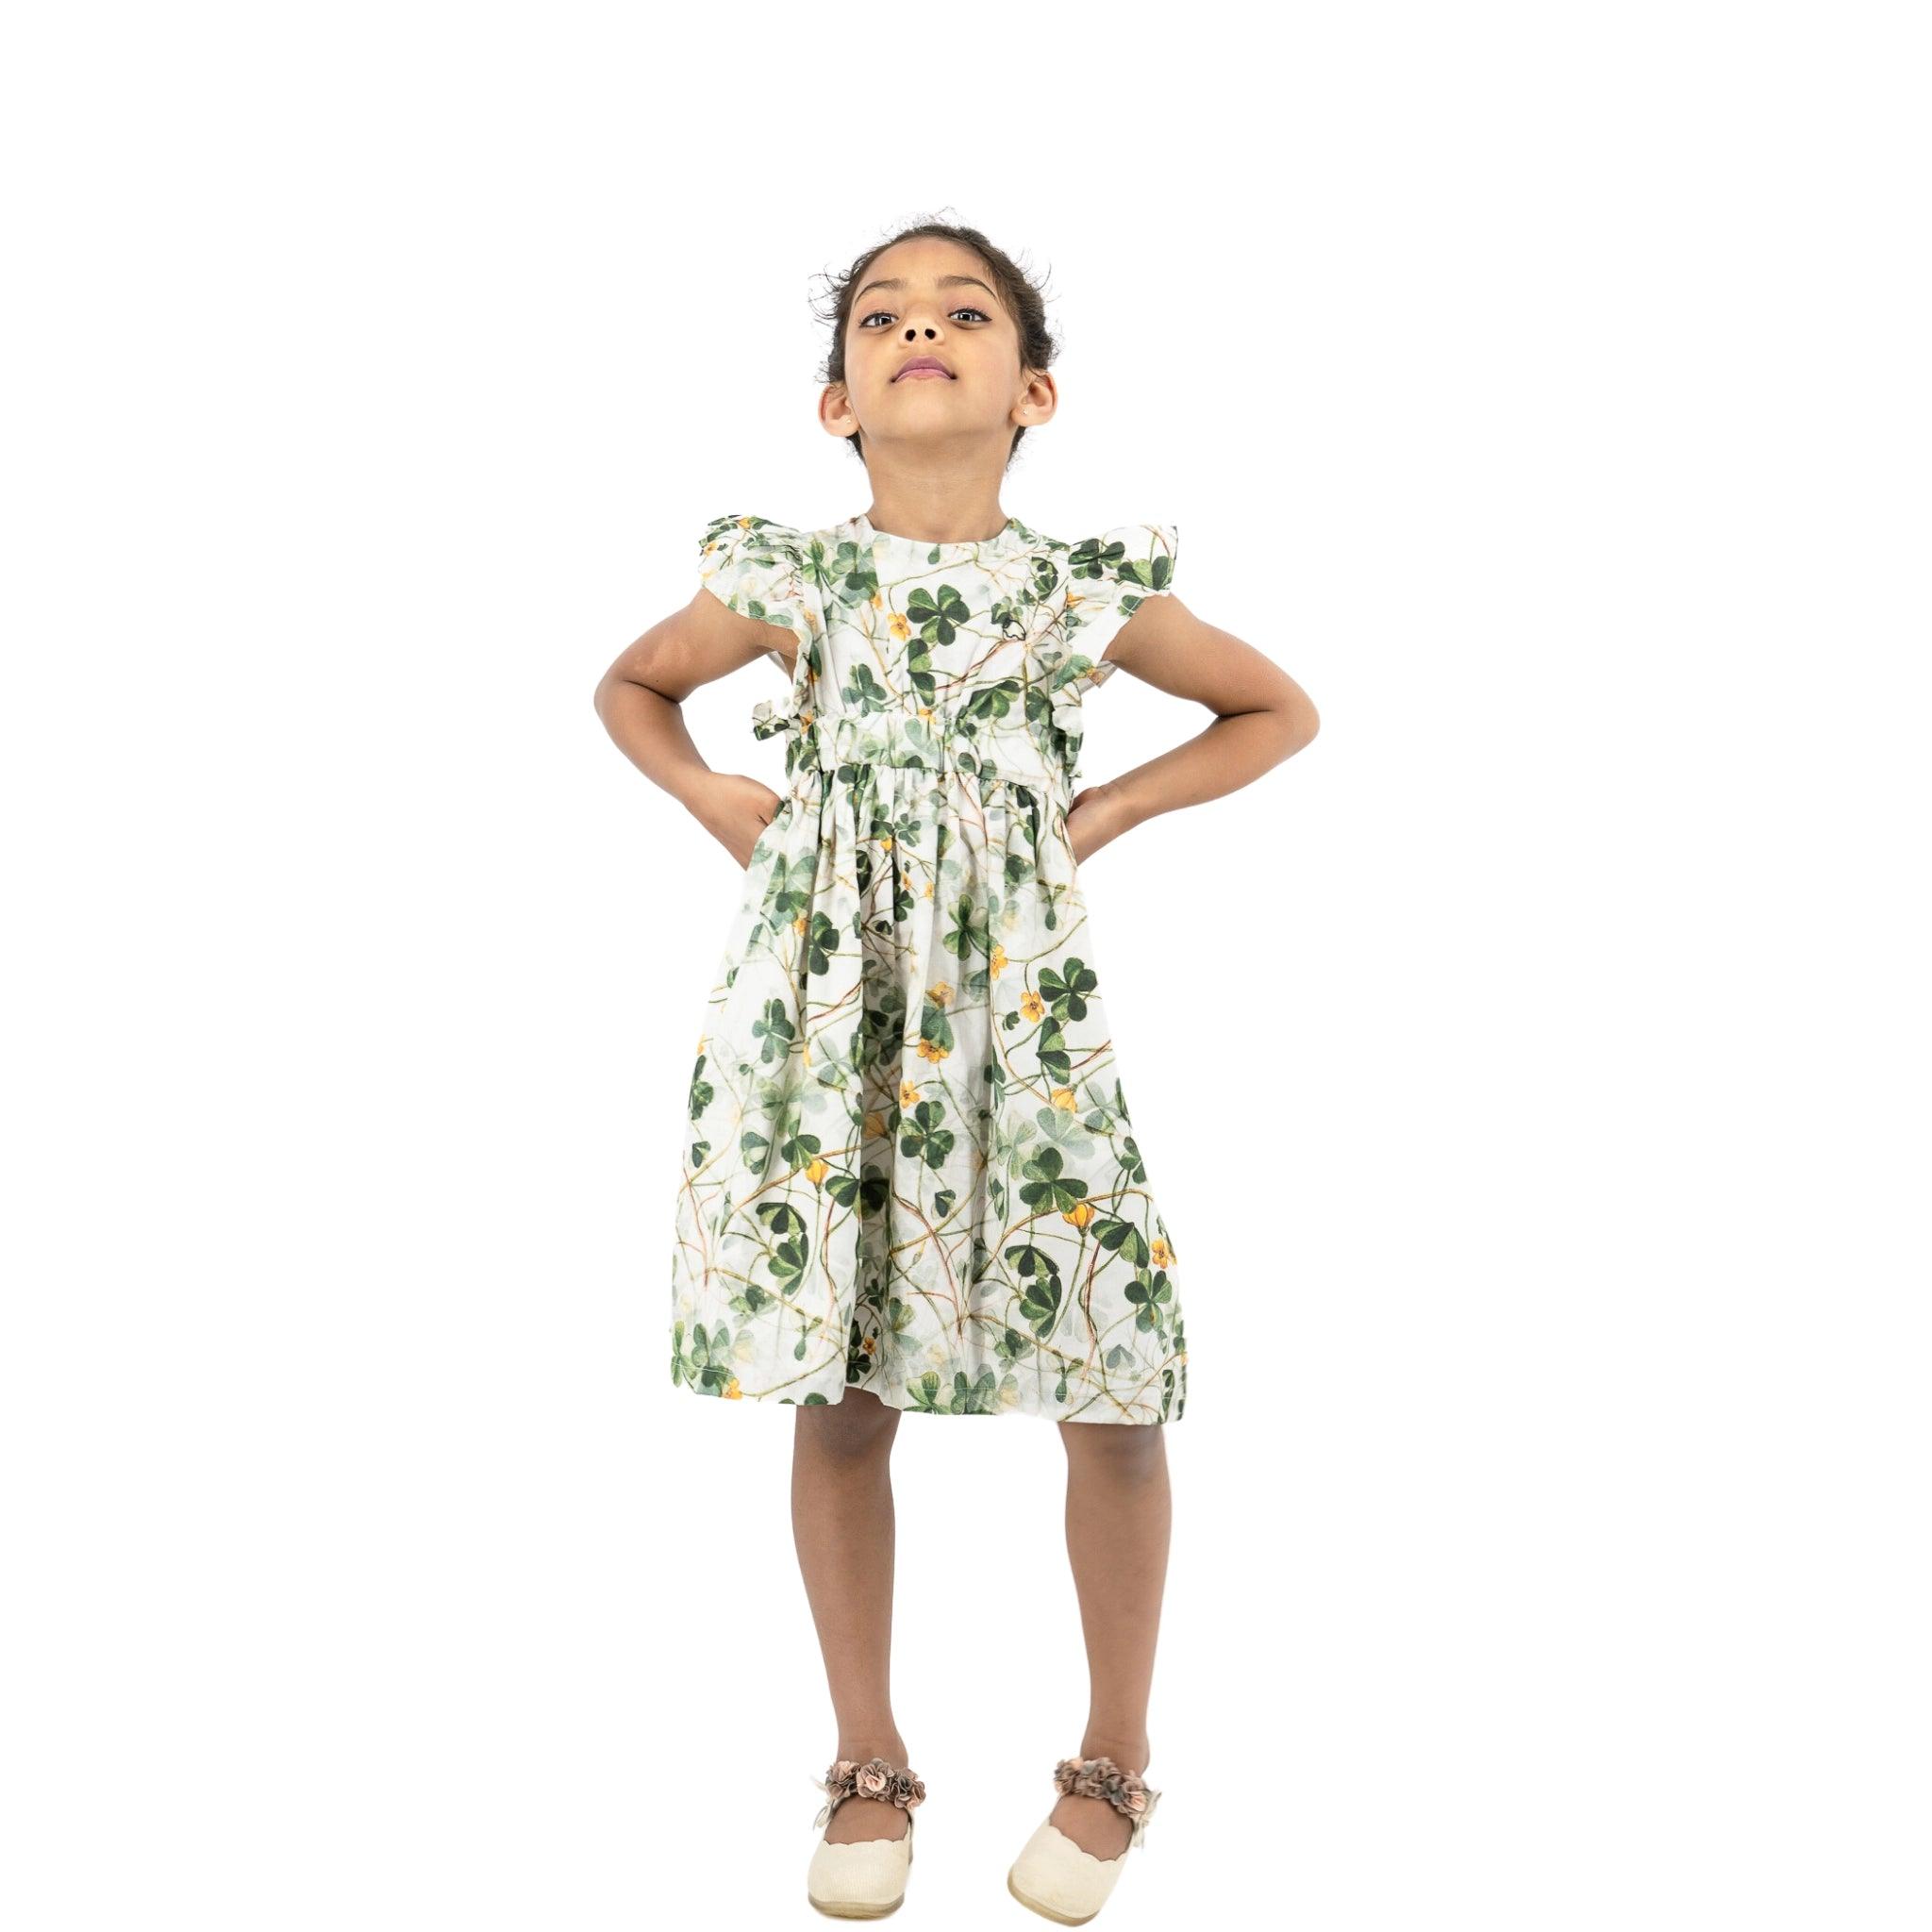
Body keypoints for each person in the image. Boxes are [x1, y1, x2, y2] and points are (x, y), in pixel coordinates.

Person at [593, 220, 1320, 1921]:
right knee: (843, 1391)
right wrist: (715, 797)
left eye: (965, 312)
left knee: (1113, 1379)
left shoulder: (1081, 588)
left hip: (1021, 1021)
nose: (923, 330)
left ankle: (1114, 1759)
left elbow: (1274, 710)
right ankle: (868, 1759)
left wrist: (1109, 810)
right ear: (835, 398)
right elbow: (631, 686)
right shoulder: (792, 576)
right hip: (828, 1015)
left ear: (1034, 388)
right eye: (884, 317)